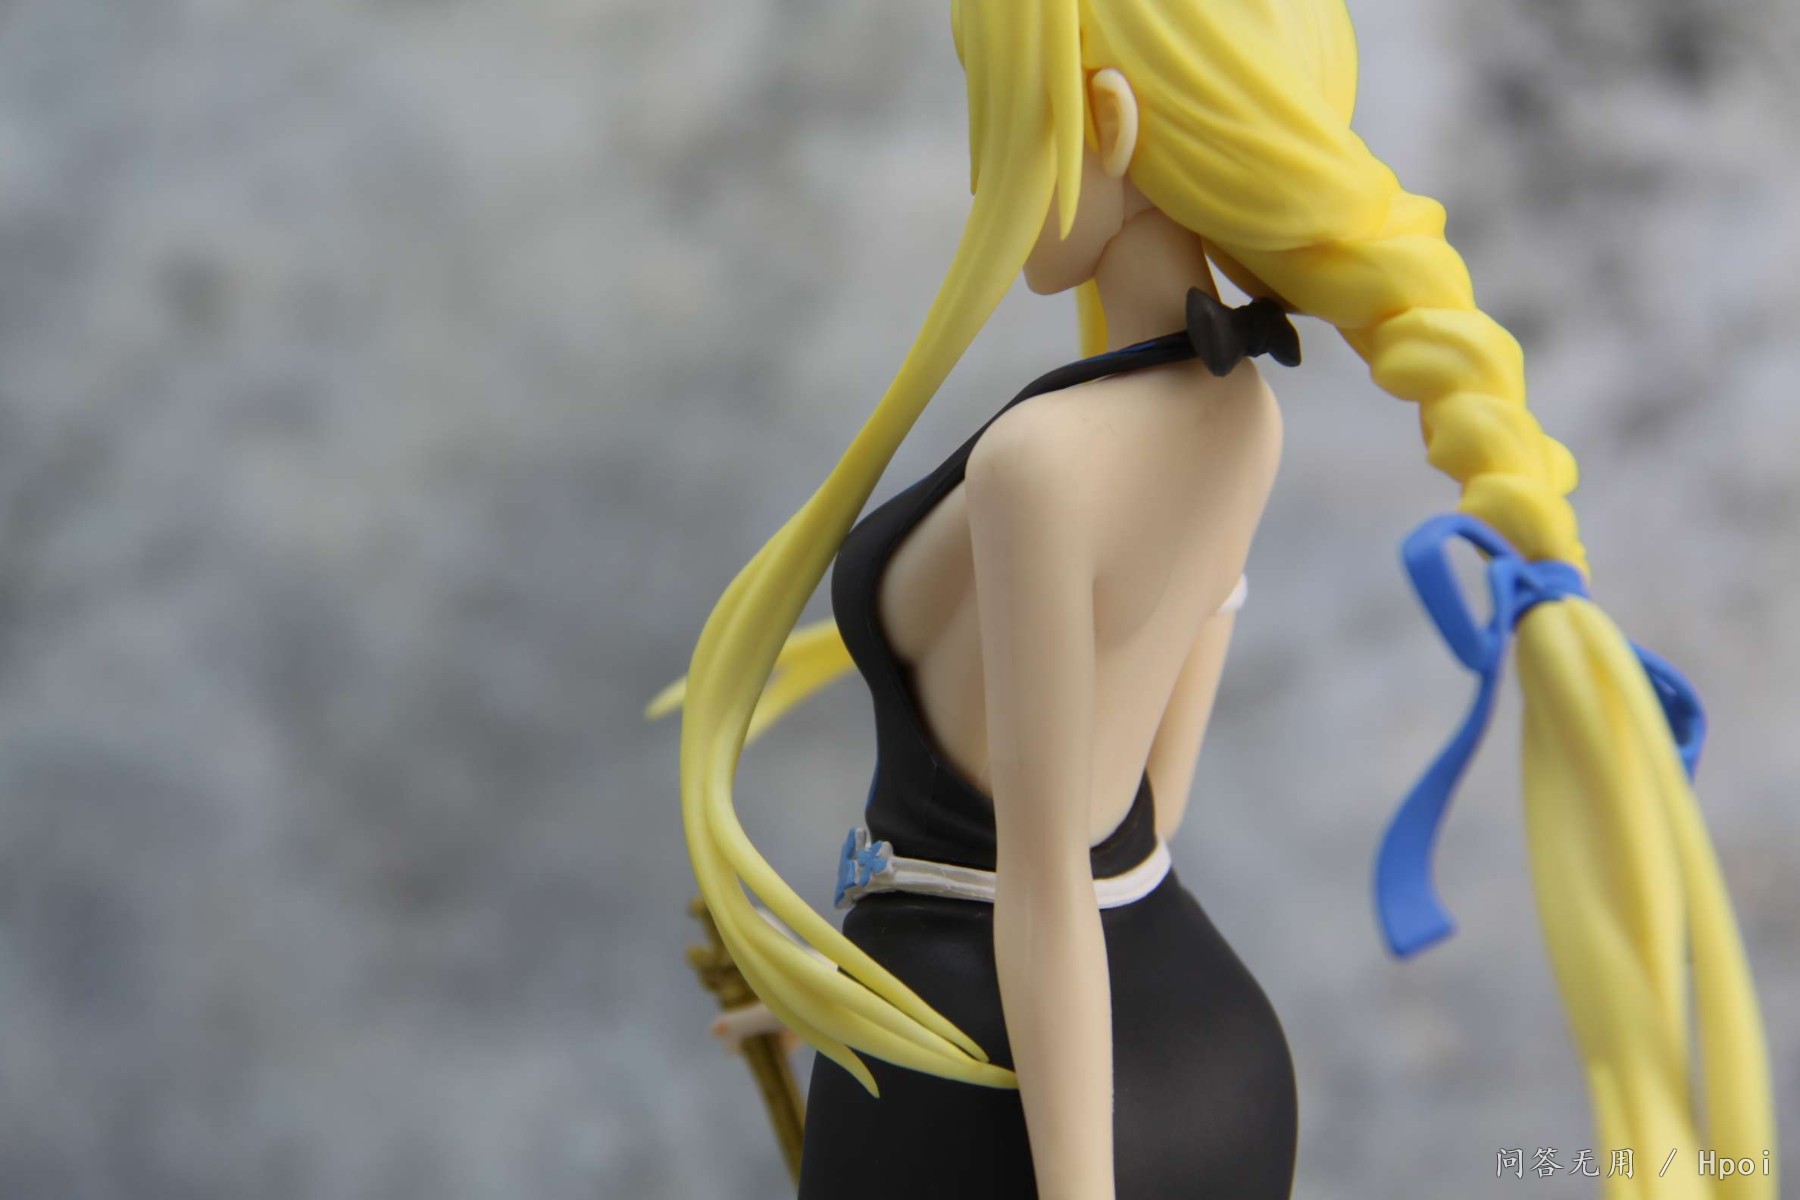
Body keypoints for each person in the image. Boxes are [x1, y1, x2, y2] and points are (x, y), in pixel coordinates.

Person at [656, 0, 1776, 1195]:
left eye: (1001, 118)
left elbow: (1047, 877)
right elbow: (1147, 805)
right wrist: (851, 990)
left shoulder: (1040, 465)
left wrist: (1054, 1161)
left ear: (1107, 121)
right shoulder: (1243, 415)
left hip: (1002, 1080)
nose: (986, 174)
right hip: (1202, 1043)